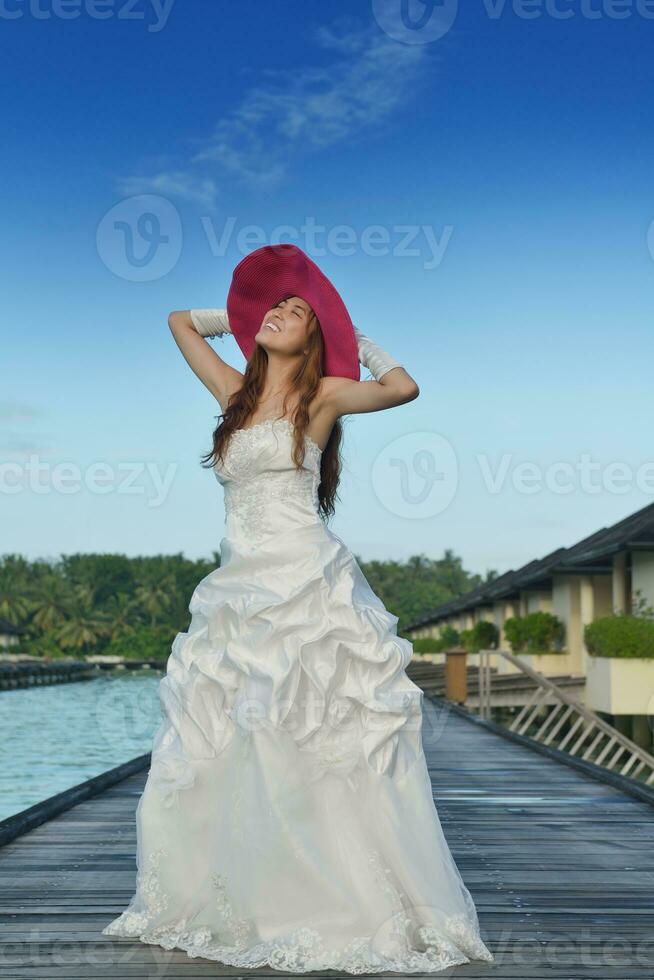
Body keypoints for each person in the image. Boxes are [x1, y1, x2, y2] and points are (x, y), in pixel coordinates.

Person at [101, 244, 494, 974]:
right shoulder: (234, 396)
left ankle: (331, 897)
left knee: (310, 737)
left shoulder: (323, 398)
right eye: (275, 307)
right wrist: (244, 312)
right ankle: (239, 889)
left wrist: (352, 336)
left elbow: (404, 388)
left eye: (295, 312)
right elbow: (179, 321)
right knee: (219, 744)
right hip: (236, 592)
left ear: (315, 339)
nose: (281, 313)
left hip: (304, 584)